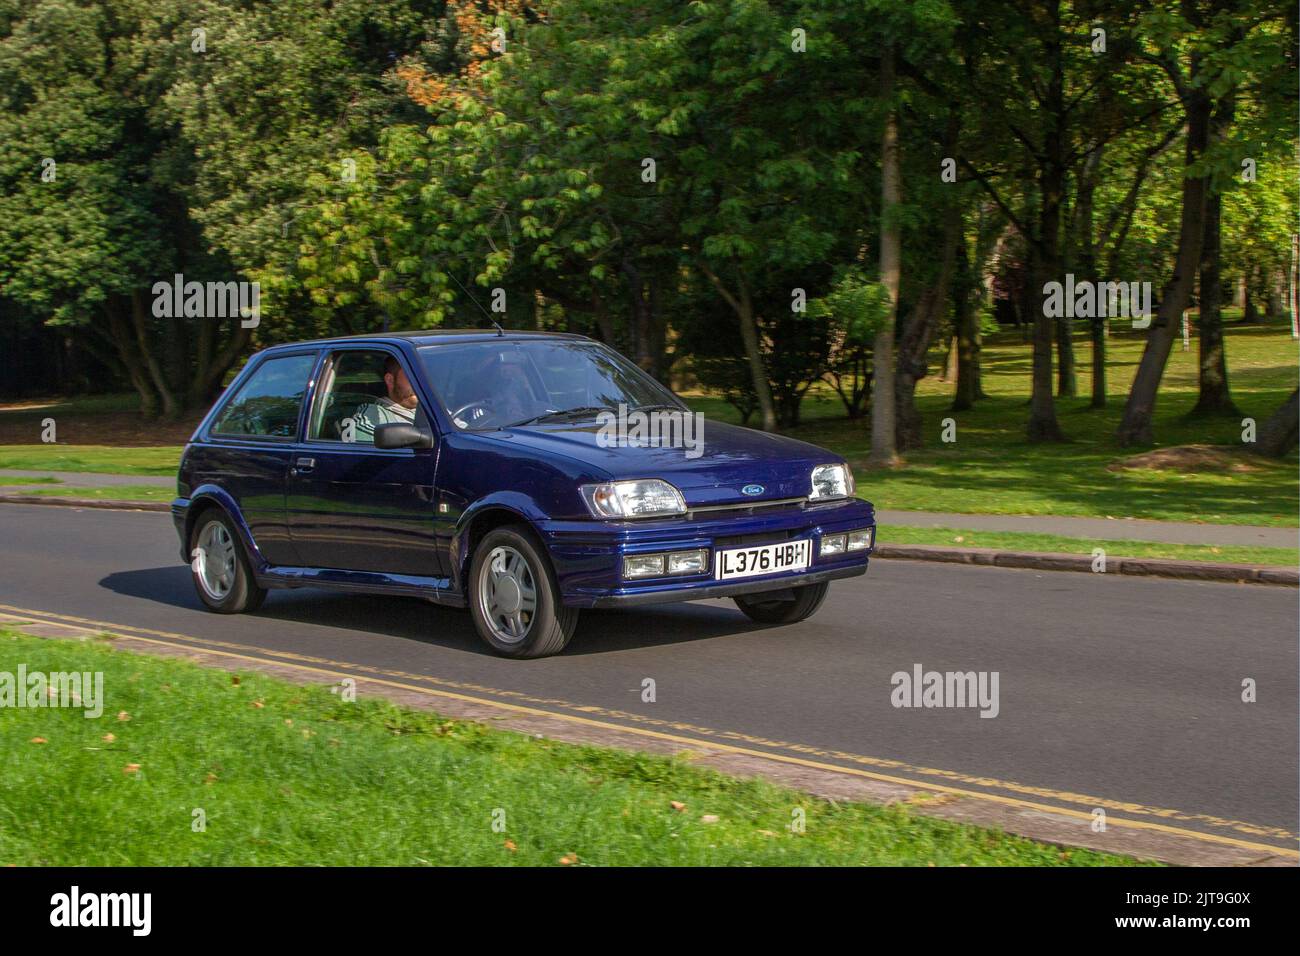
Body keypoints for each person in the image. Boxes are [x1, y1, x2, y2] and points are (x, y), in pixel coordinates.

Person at [351, 356, 418, 443]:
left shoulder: (435, 409)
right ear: (390, 380)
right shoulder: (374, 413)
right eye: (413, 377)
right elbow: (365, 434)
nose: (420, 384)